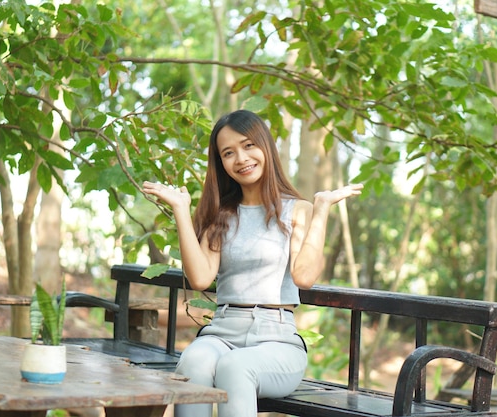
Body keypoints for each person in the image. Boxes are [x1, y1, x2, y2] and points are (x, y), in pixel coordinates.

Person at [142, 109, 363, 417]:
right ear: (221, 163)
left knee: (236, 366)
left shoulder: (297, 210)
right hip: (222, 332)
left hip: (278, 340)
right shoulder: (221, 214)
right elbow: (201, 278)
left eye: (248, 146)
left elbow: (304, 276)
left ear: (265, 147)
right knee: (193, 361)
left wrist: (322, 208)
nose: (241, 159)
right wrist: (181, 210)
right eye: (228, 153)